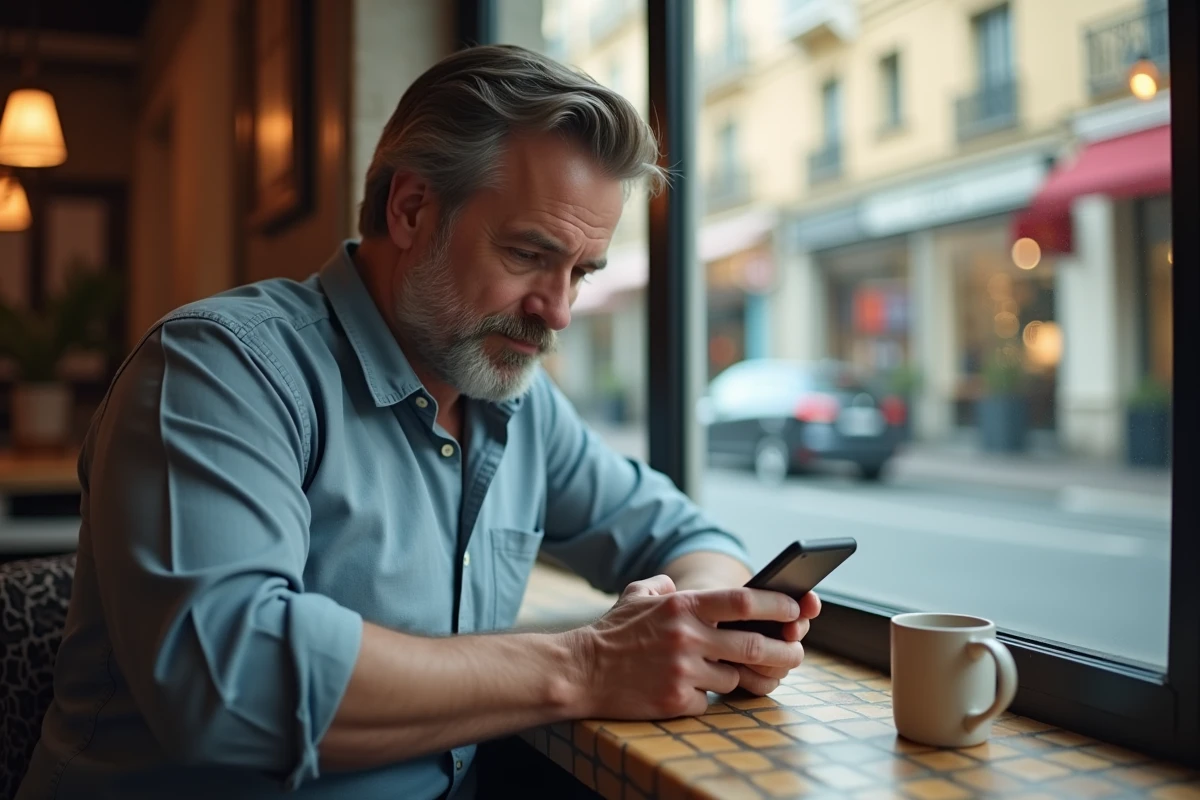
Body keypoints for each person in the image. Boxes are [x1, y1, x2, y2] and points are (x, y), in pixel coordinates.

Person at [18, 45, 820, 800]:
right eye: (527, 255)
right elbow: (233, 684)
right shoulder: (220, 369)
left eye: (581, 271)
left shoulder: (518, 402)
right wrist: (586, 666)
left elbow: (682, 534)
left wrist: (708, 627)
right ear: (410, 208)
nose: (560, 310)